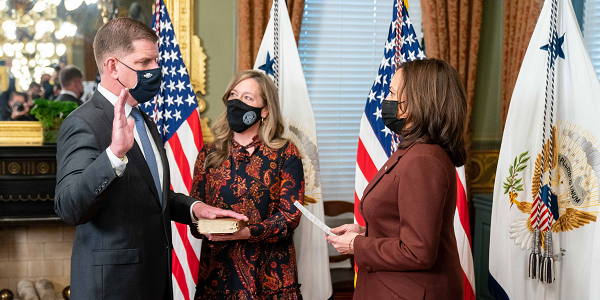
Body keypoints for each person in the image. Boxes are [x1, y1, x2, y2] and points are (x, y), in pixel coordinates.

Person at [54, 18, 247, 300]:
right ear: (113, 66)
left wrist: (195, 208)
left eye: (156, 61)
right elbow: (69, 207)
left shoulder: (144, 121)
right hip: (112, 288)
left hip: (156, 282)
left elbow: (152, 196)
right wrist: (113, 155)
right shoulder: (82, 122)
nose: (155, 70)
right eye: (145, 62)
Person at [327, 59, 466, 300]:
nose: (386, 99)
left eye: (392, 92)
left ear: (417, 101)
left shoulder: (423, 160)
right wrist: (366, 231)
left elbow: (417, 251)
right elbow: (405, 223)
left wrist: (356, 245)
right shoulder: (413, 151)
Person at [189, 70, 304, 300]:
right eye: (233, 95)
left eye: (247, 98)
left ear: (265, 110)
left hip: (270, 280)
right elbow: (195, 216)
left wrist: (246, 232)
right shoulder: (209, 154)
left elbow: (290, 217)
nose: (237, 102)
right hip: (218, 279)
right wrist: (209, 225)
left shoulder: (285, 152)